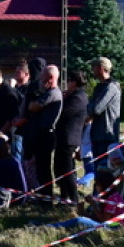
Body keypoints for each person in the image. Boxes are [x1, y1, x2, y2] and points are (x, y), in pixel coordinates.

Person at [25, 64, 63, 193]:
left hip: (46, 135)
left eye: (43, 78)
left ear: (51, 78)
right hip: (40, 134)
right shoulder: (47, 93)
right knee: (40, 167)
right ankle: (42, 194)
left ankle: (46, 196)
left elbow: (33, 107)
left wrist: (33, 104)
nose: (41, 81)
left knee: (44, 167)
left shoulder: (52, 93)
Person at [55, 69, 89, 203]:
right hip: (63, 136)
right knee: (60, 168)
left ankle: (73, 199)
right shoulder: (73, 95)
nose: (67, 83)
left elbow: (63, 113)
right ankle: (64, 198)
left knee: (67, 170)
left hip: (69, 137)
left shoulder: (78, 97)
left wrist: (63, 99)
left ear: (74, 82)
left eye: (69, 81)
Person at [87, 56, 122, 168]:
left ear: (101, 68)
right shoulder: (100, 87)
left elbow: (97, 109)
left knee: (105, 169)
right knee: (98, 168)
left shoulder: (111, 87)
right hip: (97, 134)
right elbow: (91, 107)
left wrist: (90, 106)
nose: (92, 69)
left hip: (107, 135)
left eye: (94, 67)